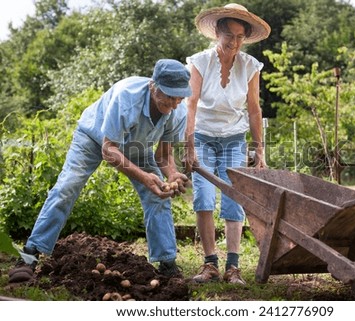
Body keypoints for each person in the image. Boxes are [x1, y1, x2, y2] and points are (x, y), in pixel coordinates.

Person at [8, 59, 192, 283]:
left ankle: (167, 265)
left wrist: (171, 174)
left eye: (179, 97)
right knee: (67, 186)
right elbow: (109, 149)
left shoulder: (178, 111)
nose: (174, 103)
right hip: (95, 138)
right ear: (153, 86)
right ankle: (30, 254)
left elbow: (163, 156)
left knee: (159, 195)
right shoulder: (127, 97)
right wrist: (144, 177)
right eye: (169, 96)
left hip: (136, 146)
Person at [184, 3, 270, 284]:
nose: (234, 42)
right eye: (229, 35)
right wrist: (189, 144)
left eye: (239, 37)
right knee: (204, 196)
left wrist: (259, 150)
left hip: (234, 137)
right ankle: (210, 264)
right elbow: (192, 103)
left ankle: (233, 267)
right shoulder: (199, 61)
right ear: (217, 33)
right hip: (203, 136)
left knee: (235, 198)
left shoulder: (250, 66)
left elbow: (254, 109)